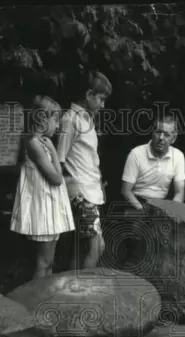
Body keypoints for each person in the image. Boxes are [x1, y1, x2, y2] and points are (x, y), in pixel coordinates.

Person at [10, 95, 75, 279]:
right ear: (41, 119)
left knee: (49, 262)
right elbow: (56, 178)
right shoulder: (33, 144)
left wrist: (52, 150)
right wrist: (55, 151)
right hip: (43, 210)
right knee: (43, 262)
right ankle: (36, 301)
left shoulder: (42, 143)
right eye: (55, 119)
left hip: (50, 208)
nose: (57, 125)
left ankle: (46, 296)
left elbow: (56, 175)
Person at [56, 70, 113, 270]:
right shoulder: (70, 120)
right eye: (101, 99)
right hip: (80, 193)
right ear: (89, 95)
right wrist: (73, 193)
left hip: (92, 191)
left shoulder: (86, 119)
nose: (103, 105)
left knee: (85, 247)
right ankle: (84, 293)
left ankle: (74, 289)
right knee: (95, 247)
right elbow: (60, 160)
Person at [121, 114, 185, 211]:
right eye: (158, 132)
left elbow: (179, 192)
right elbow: (126, 191)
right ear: (152, 132)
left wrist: (172, 211)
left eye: (166, 135)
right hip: (136, 204)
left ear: (174, 139)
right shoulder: (136, 154)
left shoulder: (178, 156)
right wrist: (143, 212)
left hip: (161, 206)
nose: (161, 137)